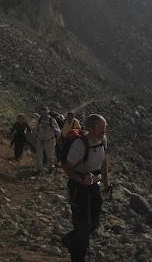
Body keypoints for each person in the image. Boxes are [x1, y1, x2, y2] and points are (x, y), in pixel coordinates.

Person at [63, 114, 110, 262]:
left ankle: (70, 239)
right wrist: (81, 179)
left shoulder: (102, 140)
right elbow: (67, 168)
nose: (104, 131)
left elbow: (103, 161)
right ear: (90, 128)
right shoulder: (79, 144)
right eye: (101, 128)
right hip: (78, 187)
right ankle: (78, 256)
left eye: (105, 127)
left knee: (94, 222)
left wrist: (106, 183)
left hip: (93, 185)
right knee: (83, 226)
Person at [35, 107, 61, 174]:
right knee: (39, 155)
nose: (43, 115)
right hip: (40, 140)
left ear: (47, 112)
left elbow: (58, 131)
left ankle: (51, 168)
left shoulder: (52, 120)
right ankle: (39, 169)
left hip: (50, 140)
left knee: (50, 155)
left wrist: (54, 128)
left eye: (45, 113)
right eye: (42, 113)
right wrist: (37, 135)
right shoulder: (39, 119)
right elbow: (35, 128)